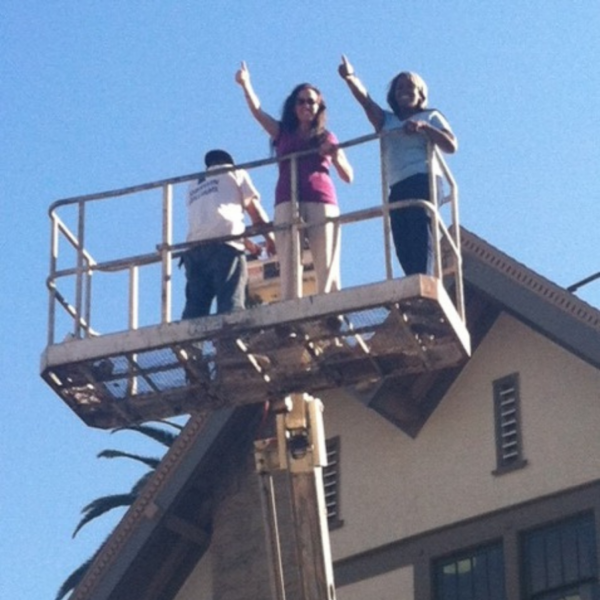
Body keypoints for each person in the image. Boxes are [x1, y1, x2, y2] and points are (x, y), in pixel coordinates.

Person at [235, 61, 354, 301]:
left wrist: (334, 155)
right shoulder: (282, 133)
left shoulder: (327, 136)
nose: (306, 105)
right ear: (293, 105)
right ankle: (291, 308)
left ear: (319, 106)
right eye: (301, 101)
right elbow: (258, 112)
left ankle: (331, 307)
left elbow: (348, 175)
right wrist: (245, 84)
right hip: (287, 199)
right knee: (289, 257)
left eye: (312, 101)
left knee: (326, 256)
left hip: (322, 199)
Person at [338, 55, 457, 276]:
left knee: (420, 230)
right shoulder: (387, 121)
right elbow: (366, 101)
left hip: (424, 180)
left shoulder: (430, 115)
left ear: (421, 93)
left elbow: (451, 144)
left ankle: (424, 280)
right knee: (401, 238)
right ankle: (413, 282)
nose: (404, 90)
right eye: (399, 87)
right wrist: (350, 78)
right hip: (398, 185)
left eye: (410, 87)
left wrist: (424, 128)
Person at [181, 149, 275, 319]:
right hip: (225, 248)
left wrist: (249, 245)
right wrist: (270, 239)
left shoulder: (193, 185)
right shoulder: (235, 173)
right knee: (230, 302)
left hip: (194, 250)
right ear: (229, 162)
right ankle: (229, 340)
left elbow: (215, 220)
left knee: (195, 307)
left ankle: (188, 344)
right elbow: (255, 213)